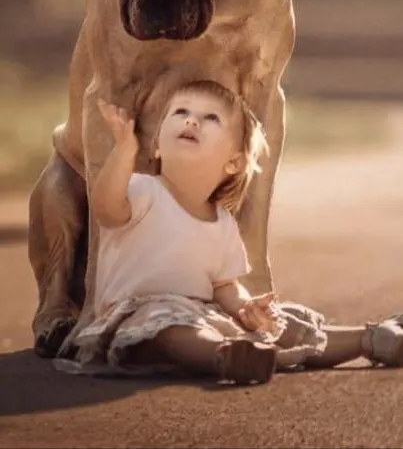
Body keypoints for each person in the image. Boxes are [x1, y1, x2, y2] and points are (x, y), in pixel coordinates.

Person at [54, 80, 403, 384]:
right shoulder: (143, 190)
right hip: (140, 318)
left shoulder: (221, 221)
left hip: (204, 313)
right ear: (157, 145)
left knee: (278, 322)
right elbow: (106, 209)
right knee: (171, 329)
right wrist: (124, 150)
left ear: (234, 162)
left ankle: (369, 338)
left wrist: (245, 307)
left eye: (211, 118)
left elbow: (223, 286)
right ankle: (225, 356)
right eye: (180, 112)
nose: (192, 119)